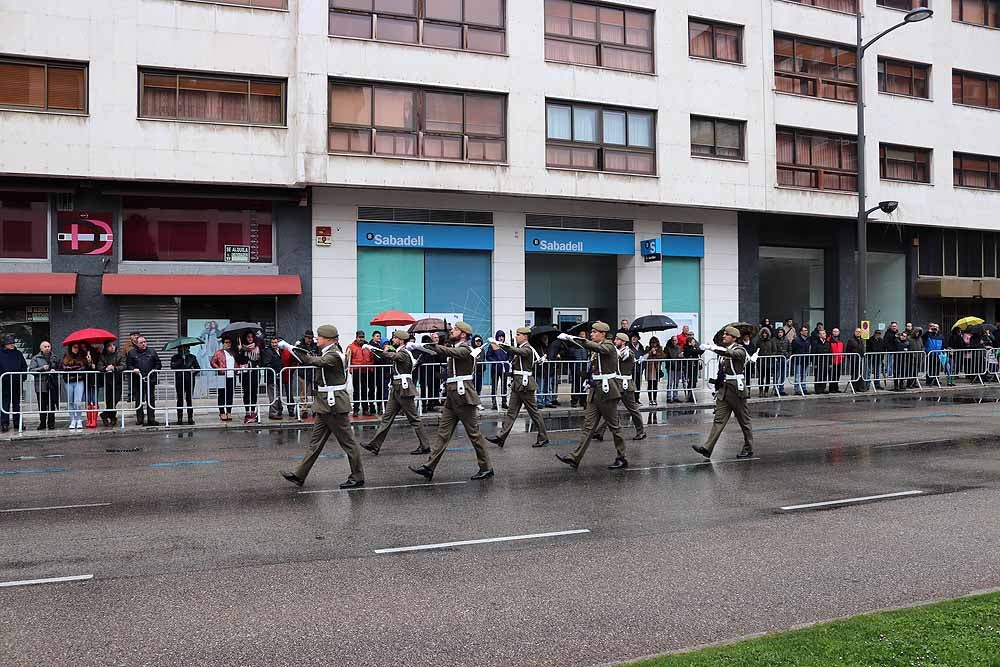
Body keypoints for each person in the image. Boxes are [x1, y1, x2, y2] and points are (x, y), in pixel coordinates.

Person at [278, 325, 364, 489]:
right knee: (315, 444)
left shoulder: (334, 355)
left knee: (348, 444)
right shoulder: (329, 352)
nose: (317, 339)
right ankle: (300, 475)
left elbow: (311, 360)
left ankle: (357, 476)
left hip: (334, 405)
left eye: (320, 337)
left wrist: (288, 347)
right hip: (325, 405)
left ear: (329, 339)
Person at [408, 322, 494, 482]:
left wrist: (423, 345)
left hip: (463, 396)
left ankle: (486, 467)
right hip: (452, 396)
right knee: (442, 434)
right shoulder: (456, 349)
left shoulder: (465, 349)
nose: (451, 331)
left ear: (463, 334)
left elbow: (446, 350)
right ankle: (429, 467)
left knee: (474, 435)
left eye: (455, 330)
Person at [555, 322, 629, 471]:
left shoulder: (608, 346)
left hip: (607, 392)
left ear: (602, 333)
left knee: (615, 427)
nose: (592, 334)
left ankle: (622, 458)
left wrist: (573, 338)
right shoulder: (597, 348)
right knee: (588, 427)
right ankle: (575, 458)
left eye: (595, 332)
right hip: (595, 391)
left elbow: (597, 348)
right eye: (592, 332)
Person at [361, 330, 431, 456]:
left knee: (414, 419)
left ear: (401, 340)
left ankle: (425, 445)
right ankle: (374, 445)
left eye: (395, 338)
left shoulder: (403, 353)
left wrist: (379, 350)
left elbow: (390, 356)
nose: (393, 340)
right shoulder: (400, 351)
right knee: (386, 418)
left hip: (404, 389)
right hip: (396, 388)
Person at [692, 326, 754, 460]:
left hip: (736, 390)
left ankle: (748, 448)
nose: (724, 336)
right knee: (719, 420)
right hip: (724, 390)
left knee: (744, 421)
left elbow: (730, 354)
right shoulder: (725, 350)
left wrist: (711, 347)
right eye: (724, 334)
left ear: (734, 337)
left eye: (727, 334)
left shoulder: (740, 350)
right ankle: (707, 448)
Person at [487, 326, 550, 448]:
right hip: (517, 384)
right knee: (511, 413)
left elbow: (516, 351)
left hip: (525, 385)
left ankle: (543, 437)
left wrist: (499, 344)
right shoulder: (521, 348)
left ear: (525, 337)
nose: (516, 336)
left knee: (534, 413)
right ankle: (501, 437)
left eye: (518, 334)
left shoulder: (527, 349)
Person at [591, 332, 646, 442]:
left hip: (626, 385)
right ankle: (599, 432)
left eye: (617, 339)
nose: (615, 341)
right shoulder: (617, 351)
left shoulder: (628, 352)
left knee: (633, 409)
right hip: (616, 384)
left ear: (623, 342)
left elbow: (621, 356)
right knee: (610, 409)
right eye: (615, 339)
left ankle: (641, 432)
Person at [126, 335, 161, 426]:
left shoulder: (152, 352)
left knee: (151, 400)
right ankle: (140, 419)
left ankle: (151, 419)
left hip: (150, 380)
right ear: (136, 344)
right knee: (139, 400)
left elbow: (158, 363)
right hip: (138, 380)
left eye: (145, 342)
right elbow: (128, 365)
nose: (144, 344)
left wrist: (154, 370)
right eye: (141, 343)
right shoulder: (132, 353)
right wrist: (133, 369)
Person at [0, 335, 27, 432]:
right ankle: (4, 423)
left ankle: (17, 423)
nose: (12, 345)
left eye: (12, 343)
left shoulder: (18, 353)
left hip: (16, 382)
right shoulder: (1, 353)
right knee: (5, 403)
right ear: (5, 344)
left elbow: (24, 366)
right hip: (4, 383)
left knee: (16, 404)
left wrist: (23, 377)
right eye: (9, 343)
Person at [29, 341, 58, 430]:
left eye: (49, 346)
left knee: (51, 405)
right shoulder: (36, 358)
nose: (47, 348)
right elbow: (31, 370)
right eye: (45, 346)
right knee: (42, 405)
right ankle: (42, 423)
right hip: (41, 385)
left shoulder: (54, 357)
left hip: (52, 384)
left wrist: (54, 370)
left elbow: (59, 366)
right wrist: (41, 368)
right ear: (41, 348)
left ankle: (51, 423)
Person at [291, 329, 320, 419]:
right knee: (304, 392)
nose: (309, 340)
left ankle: (315, 409)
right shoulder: (300, 345)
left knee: (315, 392)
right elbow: (298, 357)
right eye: (308, 338)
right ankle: (304, 410)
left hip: (313, 372)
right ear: (305, 337)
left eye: (311, 338)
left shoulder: (315, 345)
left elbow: (319, 355)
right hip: (303, 372)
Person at [61, 342, 90, 430]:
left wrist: (73, 367)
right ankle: (72, 420)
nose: (76, 349)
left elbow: (84, 368)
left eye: (77, 347)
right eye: (74, 347)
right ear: (71, 348)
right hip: (68, 382)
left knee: (78, 402)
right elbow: (63, 367)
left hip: (79, 381)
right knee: (70, 401)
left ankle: (79, 419)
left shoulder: (82, 356)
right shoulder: (66, 356)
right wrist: (76, 367)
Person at [347, 330, 375, 416]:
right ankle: (356, 409)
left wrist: (371, 368)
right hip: (356, 370)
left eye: (362, 337)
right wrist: (350, 370)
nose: (361, 339)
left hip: (366, 371)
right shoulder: (351, 347)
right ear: (356, 337)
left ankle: (365, 409)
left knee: (364, 390)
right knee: (356, 391)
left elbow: (372, 357)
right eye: (360, 337)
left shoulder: (368, 347)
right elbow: (348, 359)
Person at [170, 344, 200, 425]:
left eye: (185, 347)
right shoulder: (175, 357)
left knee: (189, 399)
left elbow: (198, 368)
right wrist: (181, 360)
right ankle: (179, 418)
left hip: (189, 380)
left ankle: (190, 418)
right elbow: (172, 366)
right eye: (182, 347)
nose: (183, 348)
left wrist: (194, 371)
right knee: (180, 399)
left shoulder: (192, 357)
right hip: (179, 380)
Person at [98, 341, 125, 426]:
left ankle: (104, 414)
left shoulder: (120, 354)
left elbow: (124, 365)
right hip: (108, 381)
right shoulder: (103, 356)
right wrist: (106, 368)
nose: (112, 347)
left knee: (115, 400)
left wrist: (114, 368)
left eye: (113, 345)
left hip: (117, 380)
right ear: (106, 348)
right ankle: (113, 419)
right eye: (109, 346)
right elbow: (99, 366)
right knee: (109, 401)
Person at [211, 337, 237, 421]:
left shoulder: (233, 353)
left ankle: (229, 412)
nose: (228, 344)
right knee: (222, 394)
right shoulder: (219, 353)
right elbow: (212, 362)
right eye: (226, 342)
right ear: (223, 343)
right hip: (222, 376)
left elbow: (237, 362)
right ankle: (222, 412)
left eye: (229, 342)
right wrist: (218, 368)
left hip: (232, 375)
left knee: (230, 394)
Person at [237, 332, 262, 423]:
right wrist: (241, 350)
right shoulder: (242, 348)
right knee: (246, 392)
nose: (250, 339)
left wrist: (258, 364)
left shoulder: (257, 347)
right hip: (245, 373)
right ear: (245, 338)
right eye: (248, 337)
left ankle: (253, 412)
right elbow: (239, 360)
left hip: (255, 373)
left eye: (251, 337)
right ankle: (247, 412)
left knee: (254, 392)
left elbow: (260, 360)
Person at [261, 337, 285, 420]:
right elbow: (266, 363)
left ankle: (278, 411)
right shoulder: (267, 351)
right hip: (271, 377)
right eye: (273, 342)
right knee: (273, 396)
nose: (274, 344)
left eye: (276, 342)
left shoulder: (280, 351)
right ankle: (273, 413)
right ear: (270, 343)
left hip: (279, 377)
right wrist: (275, 371)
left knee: (278, 395)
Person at [485, 330, 510, 411]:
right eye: (499, 336)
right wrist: (496, 361)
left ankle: (504, 402)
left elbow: (510, 355)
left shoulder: (506, 345)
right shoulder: (493, 345)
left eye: (502, 336)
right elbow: (488, 356)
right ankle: (494, 403)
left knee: (504, 386)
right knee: (494, 386)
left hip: (504, 369)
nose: (501, 338)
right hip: (495, 368)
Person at [567, 327, 589, 408]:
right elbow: (570, 355)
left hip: (584, 368)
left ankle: (583, 401)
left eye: (584, 334)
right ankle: (574, 400)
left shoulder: (587, 345)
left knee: (584, 385)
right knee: (576, 384)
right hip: (576, 368)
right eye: (582, 334)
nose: (583, 336)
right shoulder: (574, 346)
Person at [645, 336, 667, 406]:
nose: (653, 344)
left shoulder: (660, 349)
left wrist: (656, 353)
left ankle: (654, 399)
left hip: (656, 368)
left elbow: (663, 356)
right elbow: (645, 357)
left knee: (655, 385)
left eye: (655, 343)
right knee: (649, 385)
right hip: (649, 369)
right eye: (652, 343)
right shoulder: (647, 348)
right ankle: (650, 399)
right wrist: (651, 352)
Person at [755, 327, 776, 397]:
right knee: (761, 377)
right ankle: (760, 390)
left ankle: (766, 391)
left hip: (768, 362)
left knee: (767, 377)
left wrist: (771, 355)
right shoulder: (759, 341)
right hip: (760, 362)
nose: (764, 334)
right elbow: (756, 350)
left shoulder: (771, 341)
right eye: (763, 333)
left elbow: (774, 350)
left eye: (766, 333)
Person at [791, 325, 812, 395]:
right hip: (798, 360)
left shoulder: (808, 339)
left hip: (805, 360)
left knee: (804, 375)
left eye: (807, 330)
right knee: (798, 375)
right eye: (805, 330)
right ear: (801, 332)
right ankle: (797, 389)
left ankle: (804, 388)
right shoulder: (796, 340)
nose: (807, 332)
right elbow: (793, 350)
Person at [682, 335, 703, 403]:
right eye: (693, 342)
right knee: (690, 382)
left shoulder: (694, 348)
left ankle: (691, 395)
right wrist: (703, 349)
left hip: (694, 367)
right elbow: (696, 352)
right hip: (690, 367)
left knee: (694, 381)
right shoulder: (688, 349)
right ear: (689, 343)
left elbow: (698, 352)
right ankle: (690, 396)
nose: (694, 343)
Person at [811, 329, 832, 394]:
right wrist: (813, 363)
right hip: (818, 362)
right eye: (823, 333)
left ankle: (823, 388)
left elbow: (830, 353)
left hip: (826, 362)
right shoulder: (815, 342)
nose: (825, 335)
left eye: (825, 333)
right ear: (819, 335)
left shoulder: (827, 343)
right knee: (818, 375)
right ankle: (818, 389)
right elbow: (813, 353)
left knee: (825, 375)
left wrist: (830, 363)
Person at [845, 327, 866, 392]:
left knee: (860, 373)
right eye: (857, 331)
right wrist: (850, 358)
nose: (858, 333)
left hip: (860, 359)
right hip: (854, 359)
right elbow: (847, 350)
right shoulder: (851, 340)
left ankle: (860, 387)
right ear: (854, 332)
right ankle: (854, 387)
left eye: (859, 332)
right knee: (854, 374)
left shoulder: (861, 340)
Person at [773, 327, 790, 396]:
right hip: (778, 358)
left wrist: (788, 355)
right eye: (779, 332)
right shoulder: (774, 340)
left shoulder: (786, 339)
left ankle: (781, 389)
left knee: (783, 375)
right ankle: (776, 389)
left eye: (781, 332)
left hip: (784, 358)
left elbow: (789, 348)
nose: (780, 334)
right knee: (777, 375)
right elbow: (773, 349)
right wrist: (776, 356)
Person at [828, 327, 845, 393]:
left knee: (837, 375)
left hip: (839, 361)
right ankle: (831, 388)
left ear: (839, 332)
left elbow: (843, 350)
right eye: (834, 331)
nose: (835, 333)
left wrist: (842, 359)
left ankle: (836, 387)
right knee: (832, 375)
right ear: (832, 332)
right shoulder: (829, 341)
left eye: (837, 331)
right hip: (832, 361)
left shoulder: (841, 341)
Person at [471, 335, 486, 399]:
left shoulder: (482, 350)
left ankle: (478, 401)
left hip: (480, 371)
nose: (478, 342)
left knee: (479, 387)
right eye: (476, 341)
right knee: (472, 387)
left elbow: (483, 359)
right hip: (473, 372)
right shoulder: (471, 349)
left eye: (479, 341)